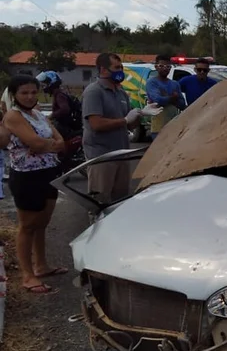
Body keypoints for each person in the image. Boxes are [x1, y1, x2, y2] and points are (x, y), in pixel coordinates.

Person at [2, 75, 68, 294]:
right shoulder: (13, 116)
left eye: (33, 92)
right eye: (24, 93)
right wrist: (44, 145)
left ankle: (41, 266)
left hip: (48, 171)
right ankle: (27, 276)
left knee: (42, 224)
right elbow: (37, 142)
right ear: (14, 95)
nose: (30, 97)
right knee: (28, 226)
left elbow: (61, 143)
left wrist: (44, 145)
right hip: (27, 176)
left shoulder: (39, 114)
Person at [81, 52, 142, 205]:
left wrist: (141, 114)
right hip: (102, 156)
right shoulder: (94, 91)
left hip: (121, 153)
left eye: (121, 67)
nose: (120, 71)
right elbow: (96, 124)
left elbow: (129, 124)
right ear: (103, 70)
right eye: (116, 67)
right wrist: (125, 120)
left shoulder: (121, 93)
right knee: (100, 201)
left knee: (120, 200)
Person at [146, 54, 187, 140]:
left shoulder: (175, 84)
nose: (165, 68)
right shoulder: (152, 82)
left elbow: (182, 104)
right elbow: (158, 100)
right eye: (161, 66)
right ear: (156, 67)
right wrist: (173, 97)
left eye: (168, 66)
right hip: (158, 127)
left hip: (173, 126)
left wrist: (166, 97)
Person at [35, 71, 82, 139]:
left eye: (46, 84)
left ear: (51, 83)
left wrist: (51, 116)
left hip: (63, 127)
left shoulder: (59, 95)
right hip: (65, 125)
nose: (44, 86)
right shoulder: (59, 94)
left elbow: (65, 109)